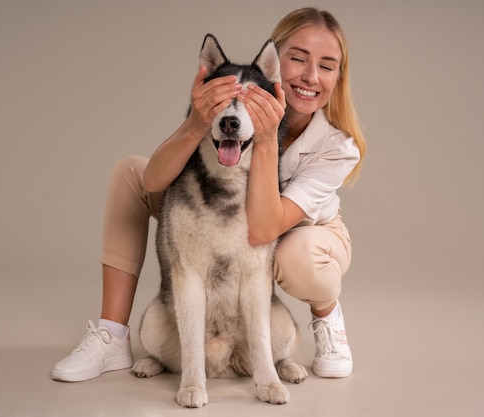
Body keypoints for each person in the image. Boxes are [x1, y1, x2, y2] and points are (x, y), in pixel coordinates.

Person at [51, 7, 366, 382]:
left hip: (301, 232)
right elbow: (153, 181)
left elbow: (264, 229)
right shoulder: (235, 94)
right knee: (131, 173)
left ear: (338, 76)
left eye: (327, 66)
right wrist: (196, 121)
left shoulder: (337, 145)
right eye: (298, 59)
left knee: (293, 255)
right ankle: (112, 335)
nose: (310, 76)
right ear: (275, 63)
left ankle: (328, 317)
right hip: (225, 209)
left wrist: (265, 139)